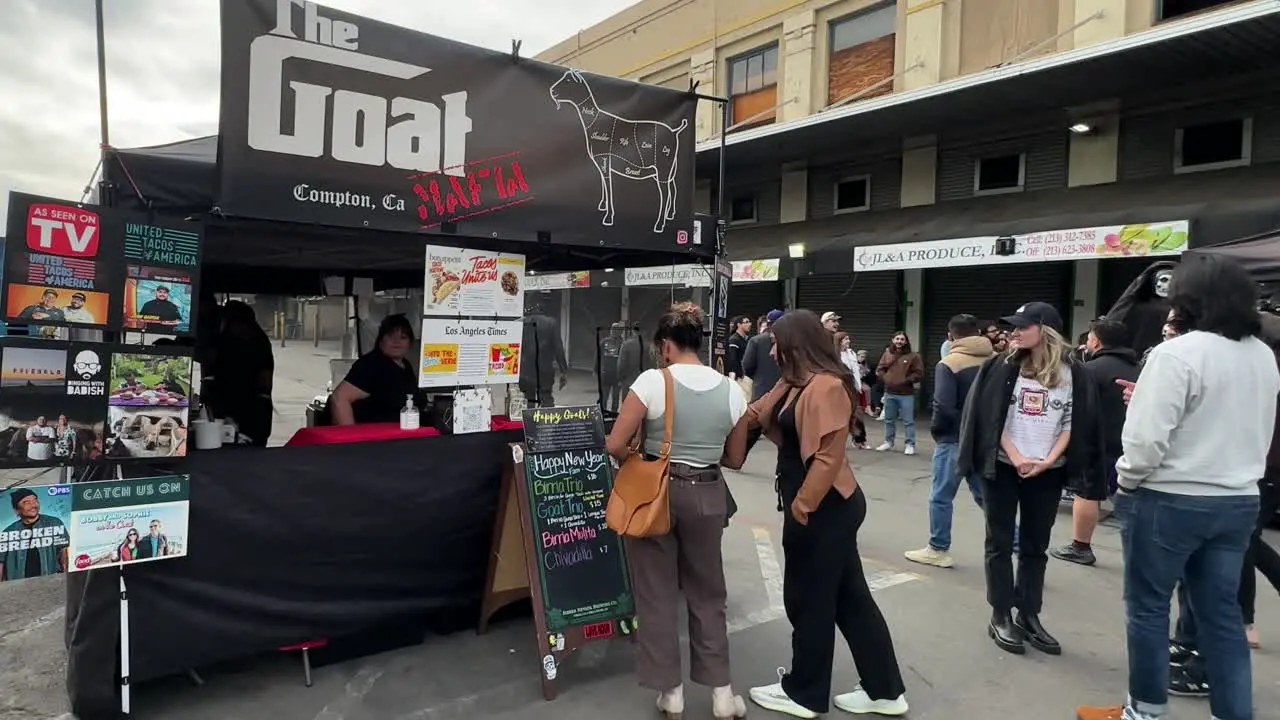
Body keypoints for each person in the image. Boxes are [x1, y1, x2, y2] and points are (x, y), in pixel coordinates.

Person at [1078, 254, 1278, 720]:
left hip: (1169, 498)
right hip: (1239, 499)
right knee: (1221, 615)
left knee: (1147, 609)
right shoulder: (1261, 355)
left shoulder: (1176, 353)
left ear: (1188, 300)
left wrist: (1126, 481)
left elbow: (1145, 439)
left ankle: (1143, 710)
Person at [739, 310, 908, 719]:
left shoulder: (827, 385)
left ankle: (804, 692)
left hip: (824, 506)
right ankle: (885, 690)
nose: (772, 349)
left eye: (777, 342)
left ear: (796, 344)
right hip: (820, 505)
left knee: (808, 599)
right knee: (851, 600)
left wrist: (802, 507)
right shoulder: (794, 382)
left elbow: (829, 457)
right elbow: (756, 411)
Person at [604, 303, 749, 720]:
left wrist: (642, 452)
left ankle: (671, 693)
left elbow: (615, 444)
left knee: (656, 593)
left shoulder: (652, 382)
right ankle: (722, 695)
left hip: (657, 496)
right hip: (707, 494)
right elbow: (735, 458)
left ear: (665, 345)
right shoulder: (731, 390)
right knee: (708, 593)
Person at [958, 301, 1105, 657]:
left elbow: (1074, 423)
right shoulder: (1000, 366)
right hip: (1005, 466)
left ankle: (1028, 613)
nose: (1014, 331)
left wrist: (1048, 461)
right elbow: (992, 419)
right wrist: (1021, 457)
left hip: (1048, 472)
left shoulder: (1075, 374)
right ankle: (1000, 613)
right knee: (1000, 542)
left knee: (1036, 547)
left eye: (1023, 326)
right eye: (1013, 326)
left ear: (1047, 330)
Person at [905, 314, 992, 568]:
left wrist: (940, 432)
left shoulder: (949, 363)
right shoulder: (997, 360)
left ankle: (938, 548)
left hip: (953, 439)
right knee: (986, 497)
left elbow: (943, 405)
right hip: (986, 440)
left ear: (950, 335)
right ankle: (1017, 542)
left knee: (941, 496)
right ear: (978, 332)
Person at [1051, 318, 1138, 567]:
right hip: (1131, 443)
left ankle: (1080, 546)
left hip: (1096, 443)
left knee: (1087, 493)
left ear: (1096, 341)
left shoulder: (1090, 370)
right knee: (1130, 498)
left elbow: (1075, 408)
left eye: (1090, 337)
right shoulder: (1141, 368)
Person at [203, 300, 275, 445]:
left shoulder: (249, 341)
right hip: (254, 408)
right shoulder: (251, 338)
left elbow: (243, 380)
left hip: (249, 410)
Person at [330, 314, 420, 426]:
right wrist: (351, 438)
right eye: (391, 336)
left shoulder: (405, 366)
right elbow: (339, 398)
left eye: (403, 337)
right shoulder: (371, 365)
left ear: (410, 342)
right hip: (372, 438)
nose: (397, 342)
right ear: (381, 340)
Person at [0, 487, 69, 581]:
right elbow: (1, 562)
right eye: (27, 502)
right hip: (18, 586)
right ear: (17, 510)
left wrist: (65, 576)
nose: (33, 505)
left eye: (35, 500)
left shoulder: (54, 523)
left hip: (48, 582)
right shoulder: (8, 532)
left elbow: (63, 551)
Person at [875, 331, 923, 455]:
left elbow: (918, 373)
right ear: (893, 340)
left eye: (902, 339)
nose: (899, 341)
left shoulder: (914, 356)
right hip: (889, 392)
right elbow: (880, 369)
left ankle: (910, 444)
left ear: (906, 341)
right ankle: (888, 442)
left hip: (906, 393)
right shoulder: (887, 354)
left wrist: (906, 380)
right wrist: (886, 379)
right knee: (889, 419)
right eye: (897, 339)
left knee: (908, 421)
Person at [742, 310, 784, 451]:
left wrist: (758, 378)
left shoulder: (756, 340)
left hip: (761, 390)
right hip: (783, 392)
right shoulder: (790, 340)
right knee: (784, 433)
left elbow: (747, 365)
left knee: (753, 427)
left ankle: (737, 456)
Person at [520, 303, 569, 407]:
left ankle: (530, 420)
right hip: (545, 368)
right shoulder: (551, 323)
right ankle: (546, 421)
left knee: (529, 399)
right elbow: (558, 348)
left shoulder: (522, 323)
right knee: (546, 398)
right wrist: (563, 370)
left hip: (526, 369)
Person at [834, 332, 867, 449]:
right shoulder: (834, 354)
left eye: (848, 339)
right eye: (845, 339)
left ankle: (859, 439)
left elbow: (856, 371)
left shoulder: (851, 353)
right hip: (840, 388)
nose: (848, 341)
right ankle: (836, 440)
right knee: (838, 415)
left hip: (853, 387)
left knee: (857, 414)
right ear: (839, 341)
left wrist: (858, 386)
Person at [598, 322, 624, 412]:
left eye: (616, 330)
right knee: (604, 396)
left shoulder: (623, 343)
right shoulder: (604, 342)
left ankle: (613, 415)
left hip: (618, 374)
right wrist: (596, 369)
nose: (613, 331)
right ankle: (603, 413)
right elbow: (597, 356)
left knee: (615, 397)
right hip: (606, 373)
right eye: (612, 329)